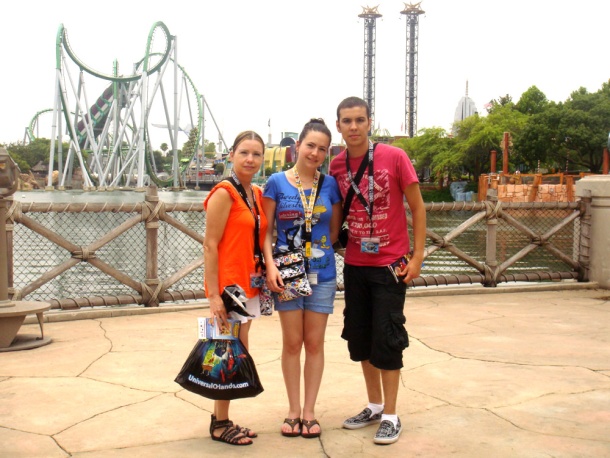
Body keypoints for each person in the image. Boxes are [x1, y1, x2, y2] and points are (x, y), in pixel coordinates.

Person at [329, 97, 426, 445]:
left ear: (370, 122)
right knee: (361, 338)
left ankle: (391, 414)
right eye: (346, 121)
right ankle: (373, 406)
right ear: (338, 125)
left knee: (387, 338)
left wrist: (417, 258)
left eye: (359, 120)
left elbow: (417, 206)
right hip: (355, 265)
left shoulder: (395, 157)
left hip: (390, 266)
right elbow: (334, 215)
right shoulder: (337, 167)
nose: (353, 127)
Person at [262, 118, 342, 439]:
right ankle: (293, 410)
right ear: (297, 146)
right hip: (288, 271)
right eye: (310, 145)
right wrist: (270, 266)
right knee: (292, 343)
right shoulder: (276, 183)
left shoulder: (331, 185)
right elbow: (265, 231)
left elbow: (333, 231)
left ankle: (310, 411)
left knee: (314, 343)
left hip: (322, 273)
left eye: (322, 148)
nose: (315, 153)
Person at [203, 130, 268, 446]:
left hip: (249, 283)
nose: (250, 159)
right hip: (230, 286)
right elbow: (210, 244)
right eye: (244, 152)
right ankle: (220, 424)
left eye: (256, 154)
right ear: (232, 154)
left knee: (237, 351)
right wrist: (213, 294)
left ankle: (222, 418)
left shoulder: (255, 193)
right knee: (224, 352)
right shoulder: (224, 192)